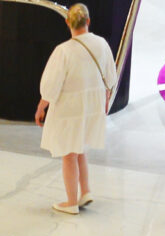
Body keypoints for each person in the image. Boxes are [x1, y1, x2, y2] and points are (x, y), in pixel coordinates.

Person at [35, 4, 117, 214]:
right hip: (92, 105)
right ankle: (85, 191)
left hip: (70, 108)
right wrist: (106, 98)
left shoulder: (63, 51)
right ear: (88, 21)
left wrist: (42, 106)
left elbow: (51, 85)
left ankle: (71, 202)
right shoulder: (101, 44)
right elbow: (110, 75)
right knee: (79, 149)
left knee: (69, 153)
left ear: (67, 22)